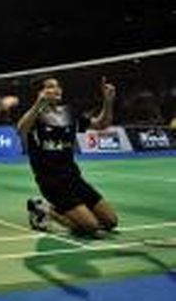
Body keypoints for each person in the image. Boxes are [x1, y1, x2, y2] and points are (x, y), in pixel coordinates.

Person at [17, 76, 118, 237]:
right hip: (52, 182)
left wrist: (108, 102)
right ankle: (44, 210)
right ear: (40, 92)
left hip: (74, 178)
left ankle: (68, 212)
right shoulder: (34, 116)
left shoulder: (69, 112)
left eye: (58, 86)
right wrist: (38, 104)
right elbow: (21, 129)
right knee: (90, 227)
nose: (56, 89)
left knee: (111, 222)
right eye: (50, 87)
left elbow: (101, 124)